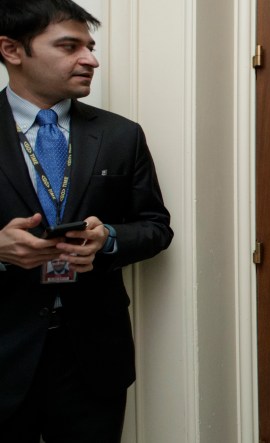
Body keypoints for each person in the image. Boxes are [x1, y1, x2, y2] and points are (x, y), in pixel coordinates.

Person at [0, 0, 173, 441]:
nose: (90, 60)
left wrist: (108, 238)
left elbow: (155, 226)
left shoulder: (121, 135)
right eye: (69, 46)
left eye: (90, 47)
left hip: (93, 359)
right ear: (12, 50)